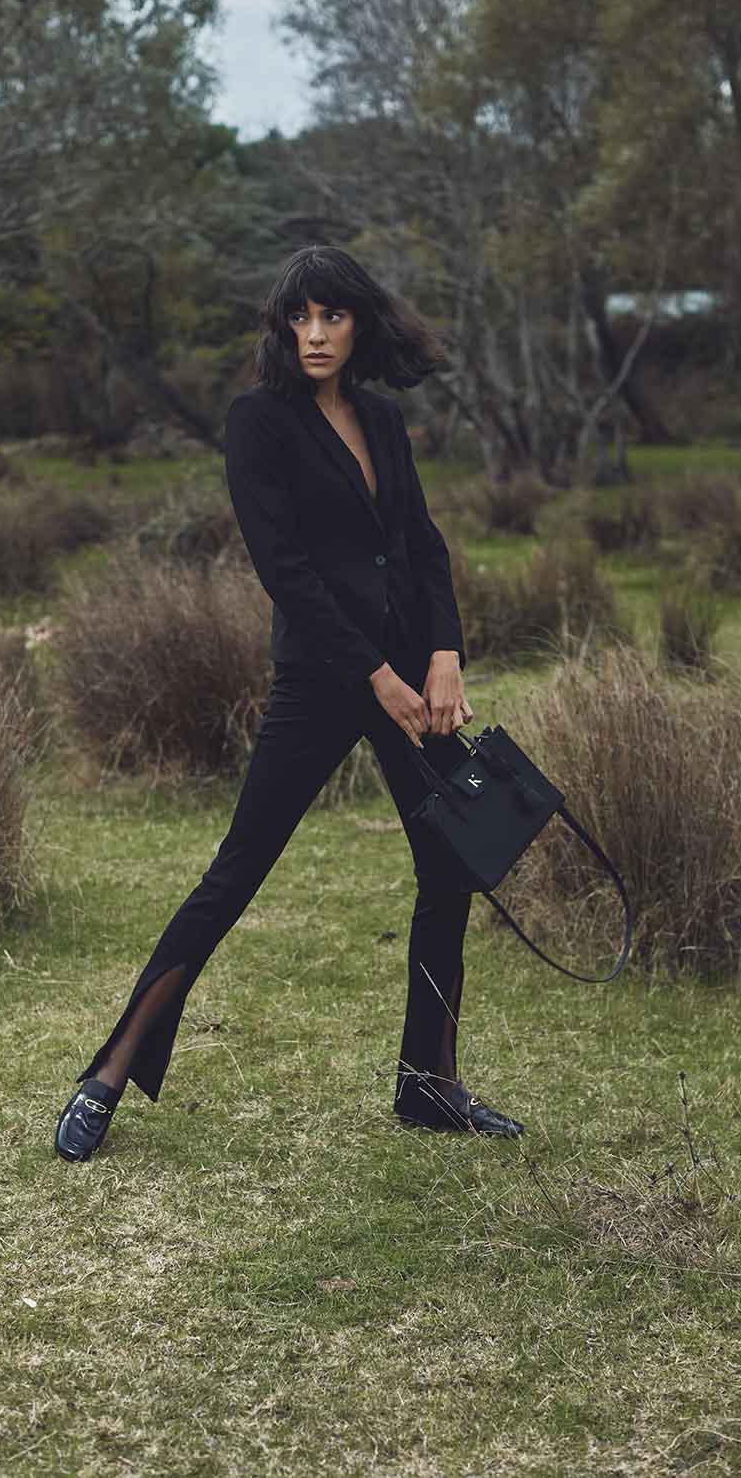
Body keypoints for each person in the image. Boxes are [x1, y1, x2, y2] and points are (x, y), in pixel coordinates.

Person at [54, 245, 524, 1164]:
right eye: (300, 317)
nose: (315, 334)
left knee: (450, 865)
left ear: (359, 323)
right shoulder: (257, 422)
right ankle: (109, 1071)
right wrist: (377, 676)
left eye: (332, 316)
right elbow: (288, 573)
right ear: (282, 326)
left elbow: (421, 545)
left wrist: (443, 655)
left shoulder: (382, 418)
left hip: (408, 674)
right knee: (236, 873)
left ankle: (429, 1083)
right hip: (322, 680)